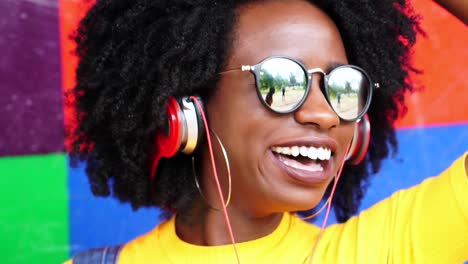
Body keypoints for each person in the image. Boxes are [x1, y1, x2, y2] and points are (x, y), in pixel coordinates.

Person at [66, 0, 467, 263]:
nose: (324, 115)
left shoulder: (381, 251)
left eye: (342, 87)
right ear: (186, 111)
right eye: (283, 83)